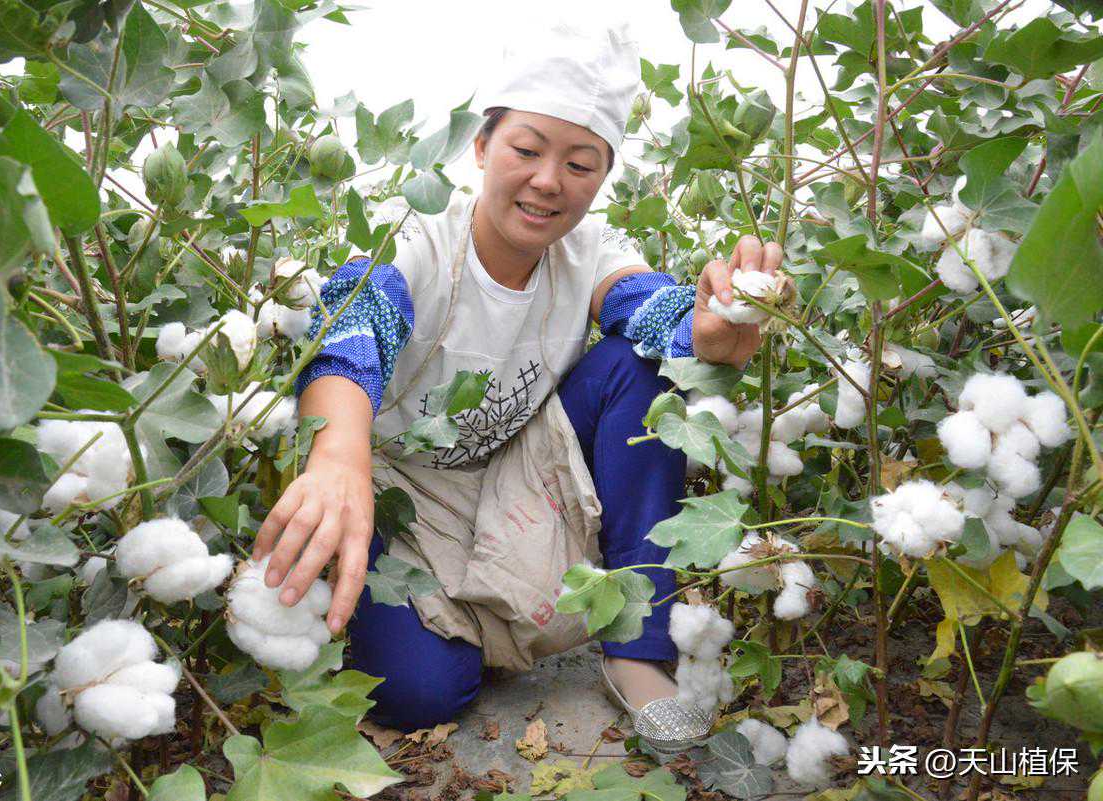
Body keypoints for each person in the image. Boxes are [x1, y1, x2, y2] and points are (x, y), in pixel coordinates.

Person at [251, 21, 783, 752]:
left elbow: (653, 311)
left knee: (643, 364)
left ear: (602, 178)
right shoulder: (419, 237)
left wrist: (713, 330)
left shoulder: (591, 251)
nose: (548, 181)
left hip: (517, 470)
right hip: (396, 488)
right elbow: (354, 324)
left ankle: (637, 645)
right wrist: (338, 455)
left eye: (580, 164)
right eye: (526, 151)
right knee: (420, 692)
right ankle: (471, 617)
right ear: (481, 147)